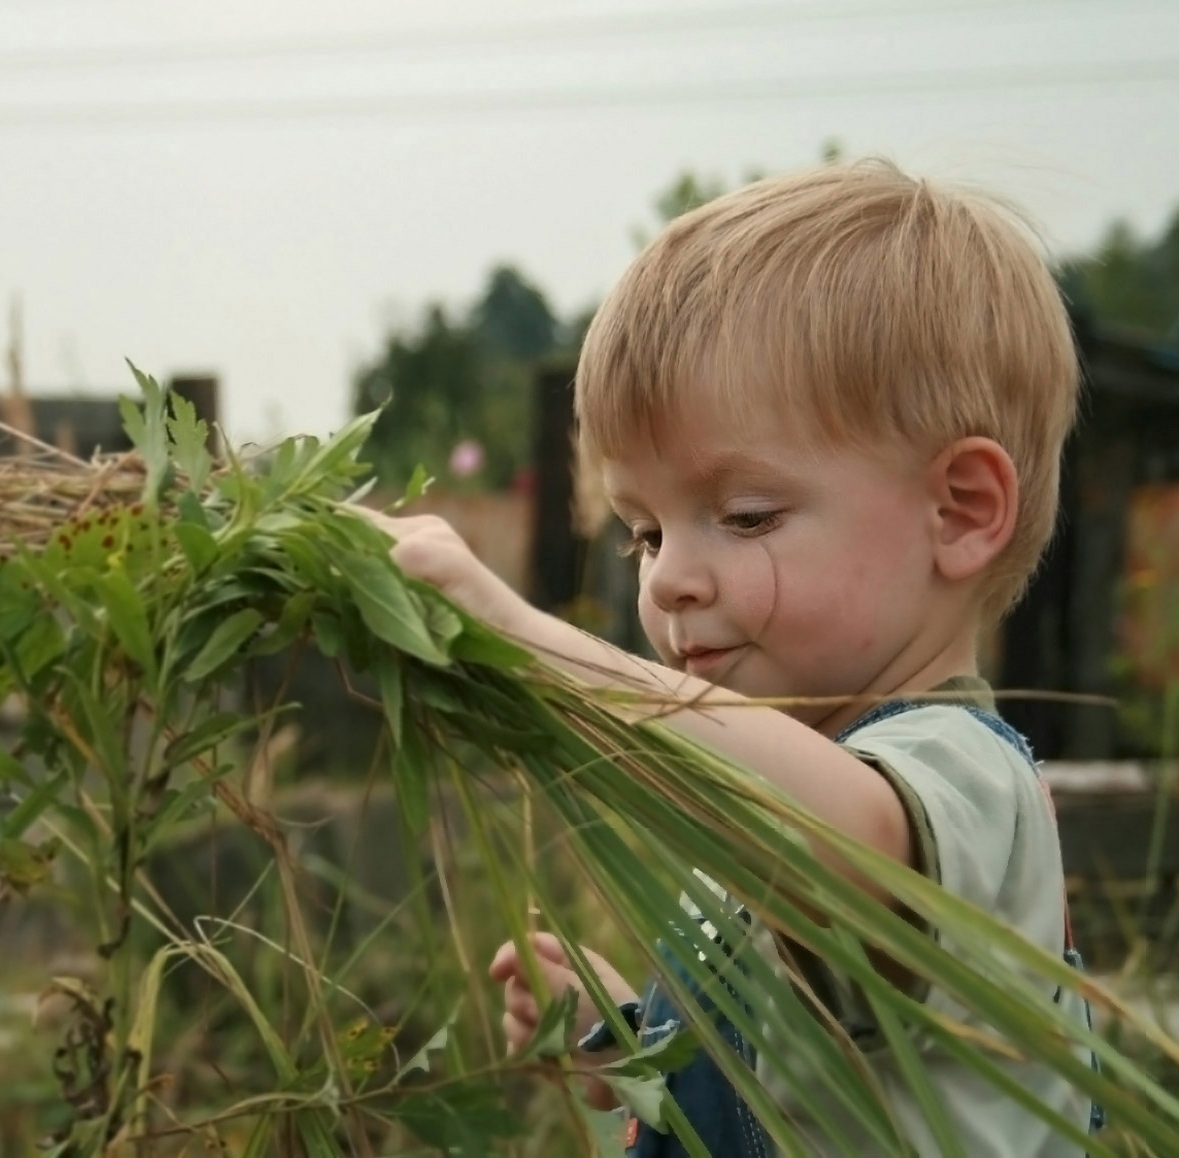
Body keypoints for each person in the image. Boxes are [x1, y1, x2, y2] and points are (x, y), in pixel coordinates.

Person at [373, 157, 1097, 1155]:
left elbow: (845, 855)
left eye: (743, 515)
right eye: (643, 534)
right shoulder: (780, 798)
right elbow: (786, 1087)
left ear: (959, 510)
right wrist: (633, 1043)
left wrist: (526, 641)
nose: (668, 579)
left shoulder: (960, 781)